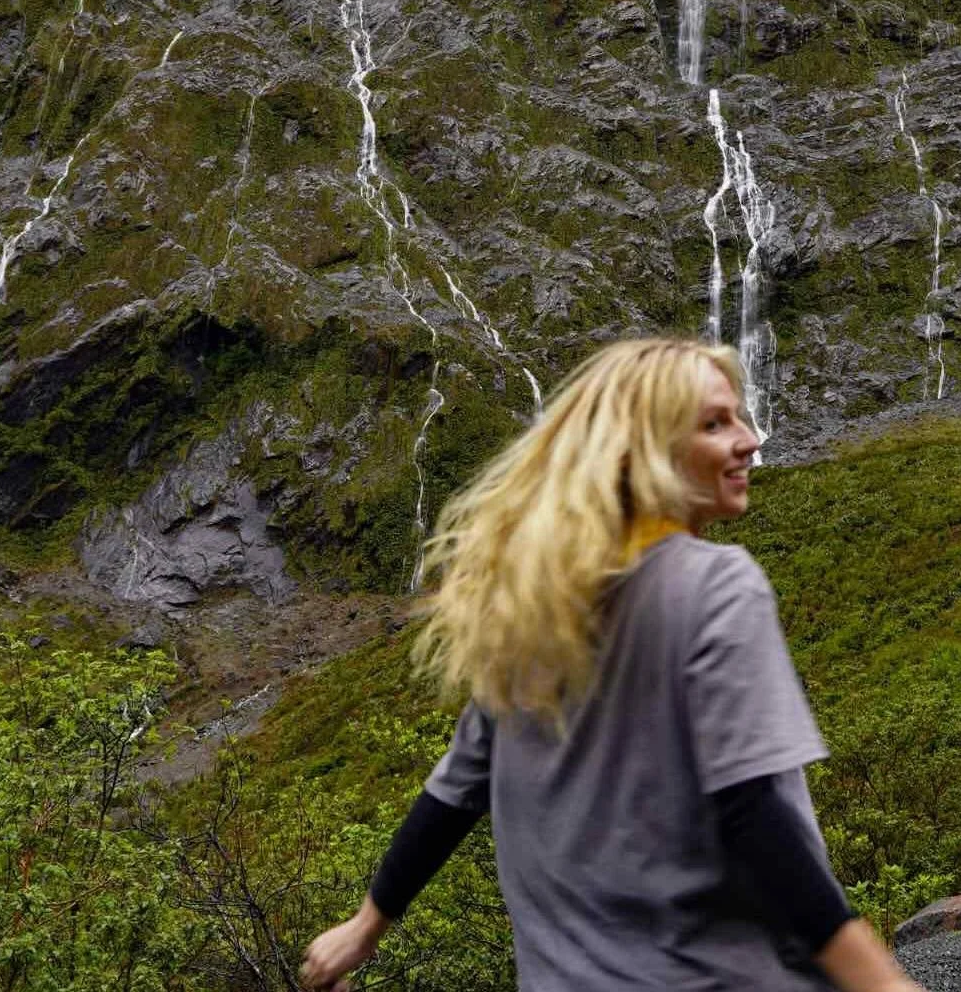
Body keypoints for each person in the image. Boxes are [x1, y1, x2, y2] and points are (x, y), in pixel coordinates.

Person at [301, 336, 927, 992]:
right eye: (716, 423)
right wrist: (881, 982)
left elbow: (452, 797)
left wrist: (365, 926)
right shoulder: (717, 586)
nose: (750, 439)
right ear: (644, 451)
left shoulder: (533, 609)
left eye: (741, 417)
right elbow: (752, 814)